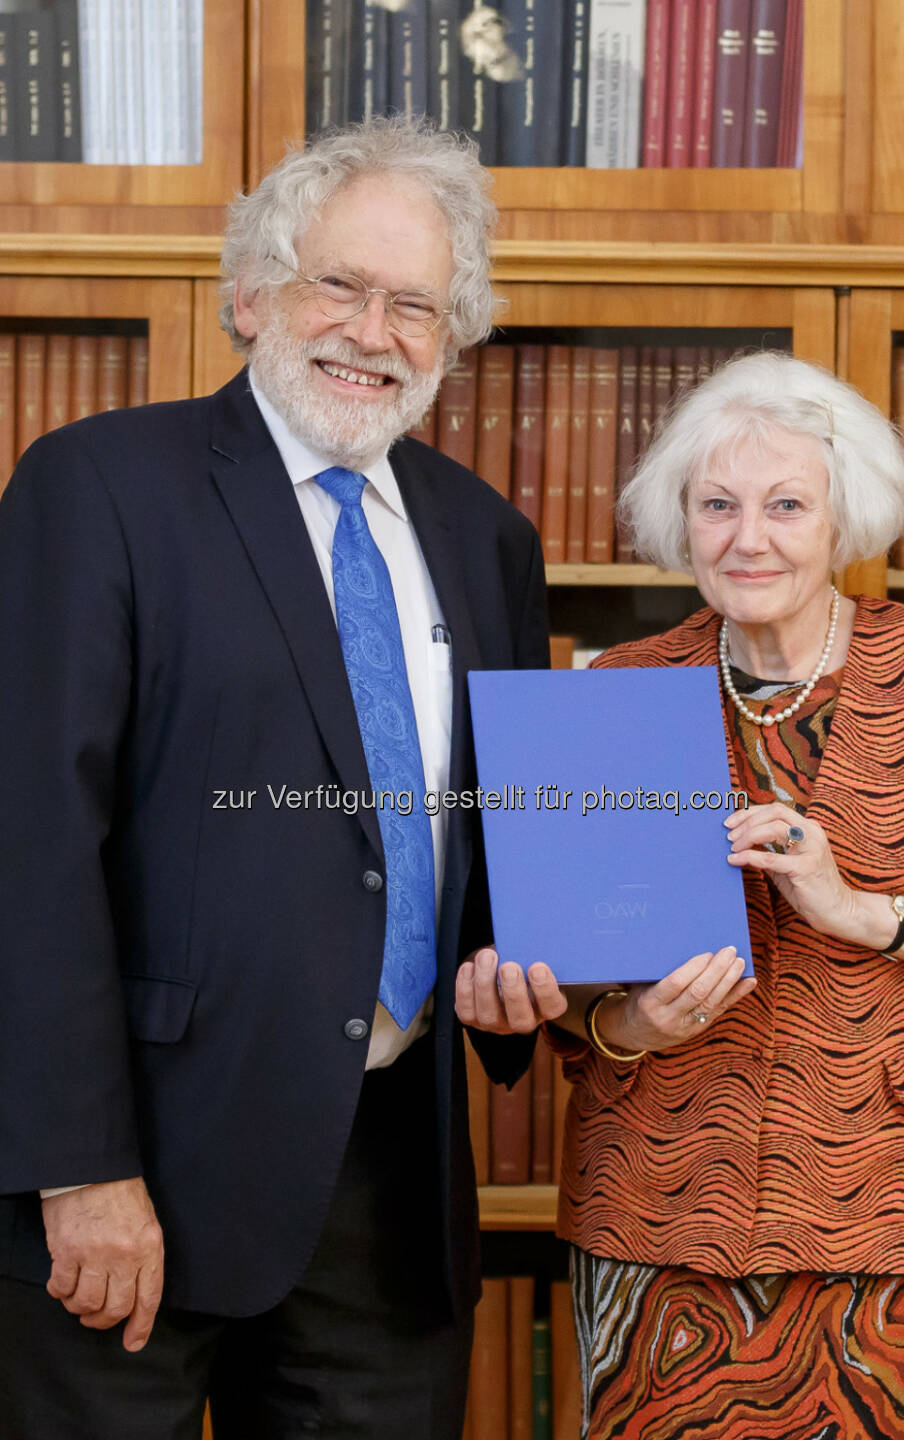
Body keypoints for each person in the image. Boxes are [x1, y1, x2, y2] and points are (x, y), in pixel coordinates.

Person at [0, 118, 548, 1440]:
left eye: (415, 302)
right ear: (249, 297)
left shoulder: (487, 539)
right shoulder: (100, 487)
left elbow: (490, 838)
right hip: (144, 1168)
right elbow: (29, 842)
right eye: (337, 285)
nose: (374, 329)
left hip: (390, 1185)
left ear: (453, 333)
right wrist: (79, 1168)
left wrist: (531, 970)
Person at [457, 352, 904, 1440]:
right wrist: (626, 1023)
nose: (748, 537)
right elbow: (567, 968)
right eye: (717, 505)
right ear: (680, 521)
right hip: (654, 1204)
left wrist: (855, 911)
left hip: (883, 1211)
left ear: (842, 520)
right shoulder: (615, 693)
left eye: (785, 504)